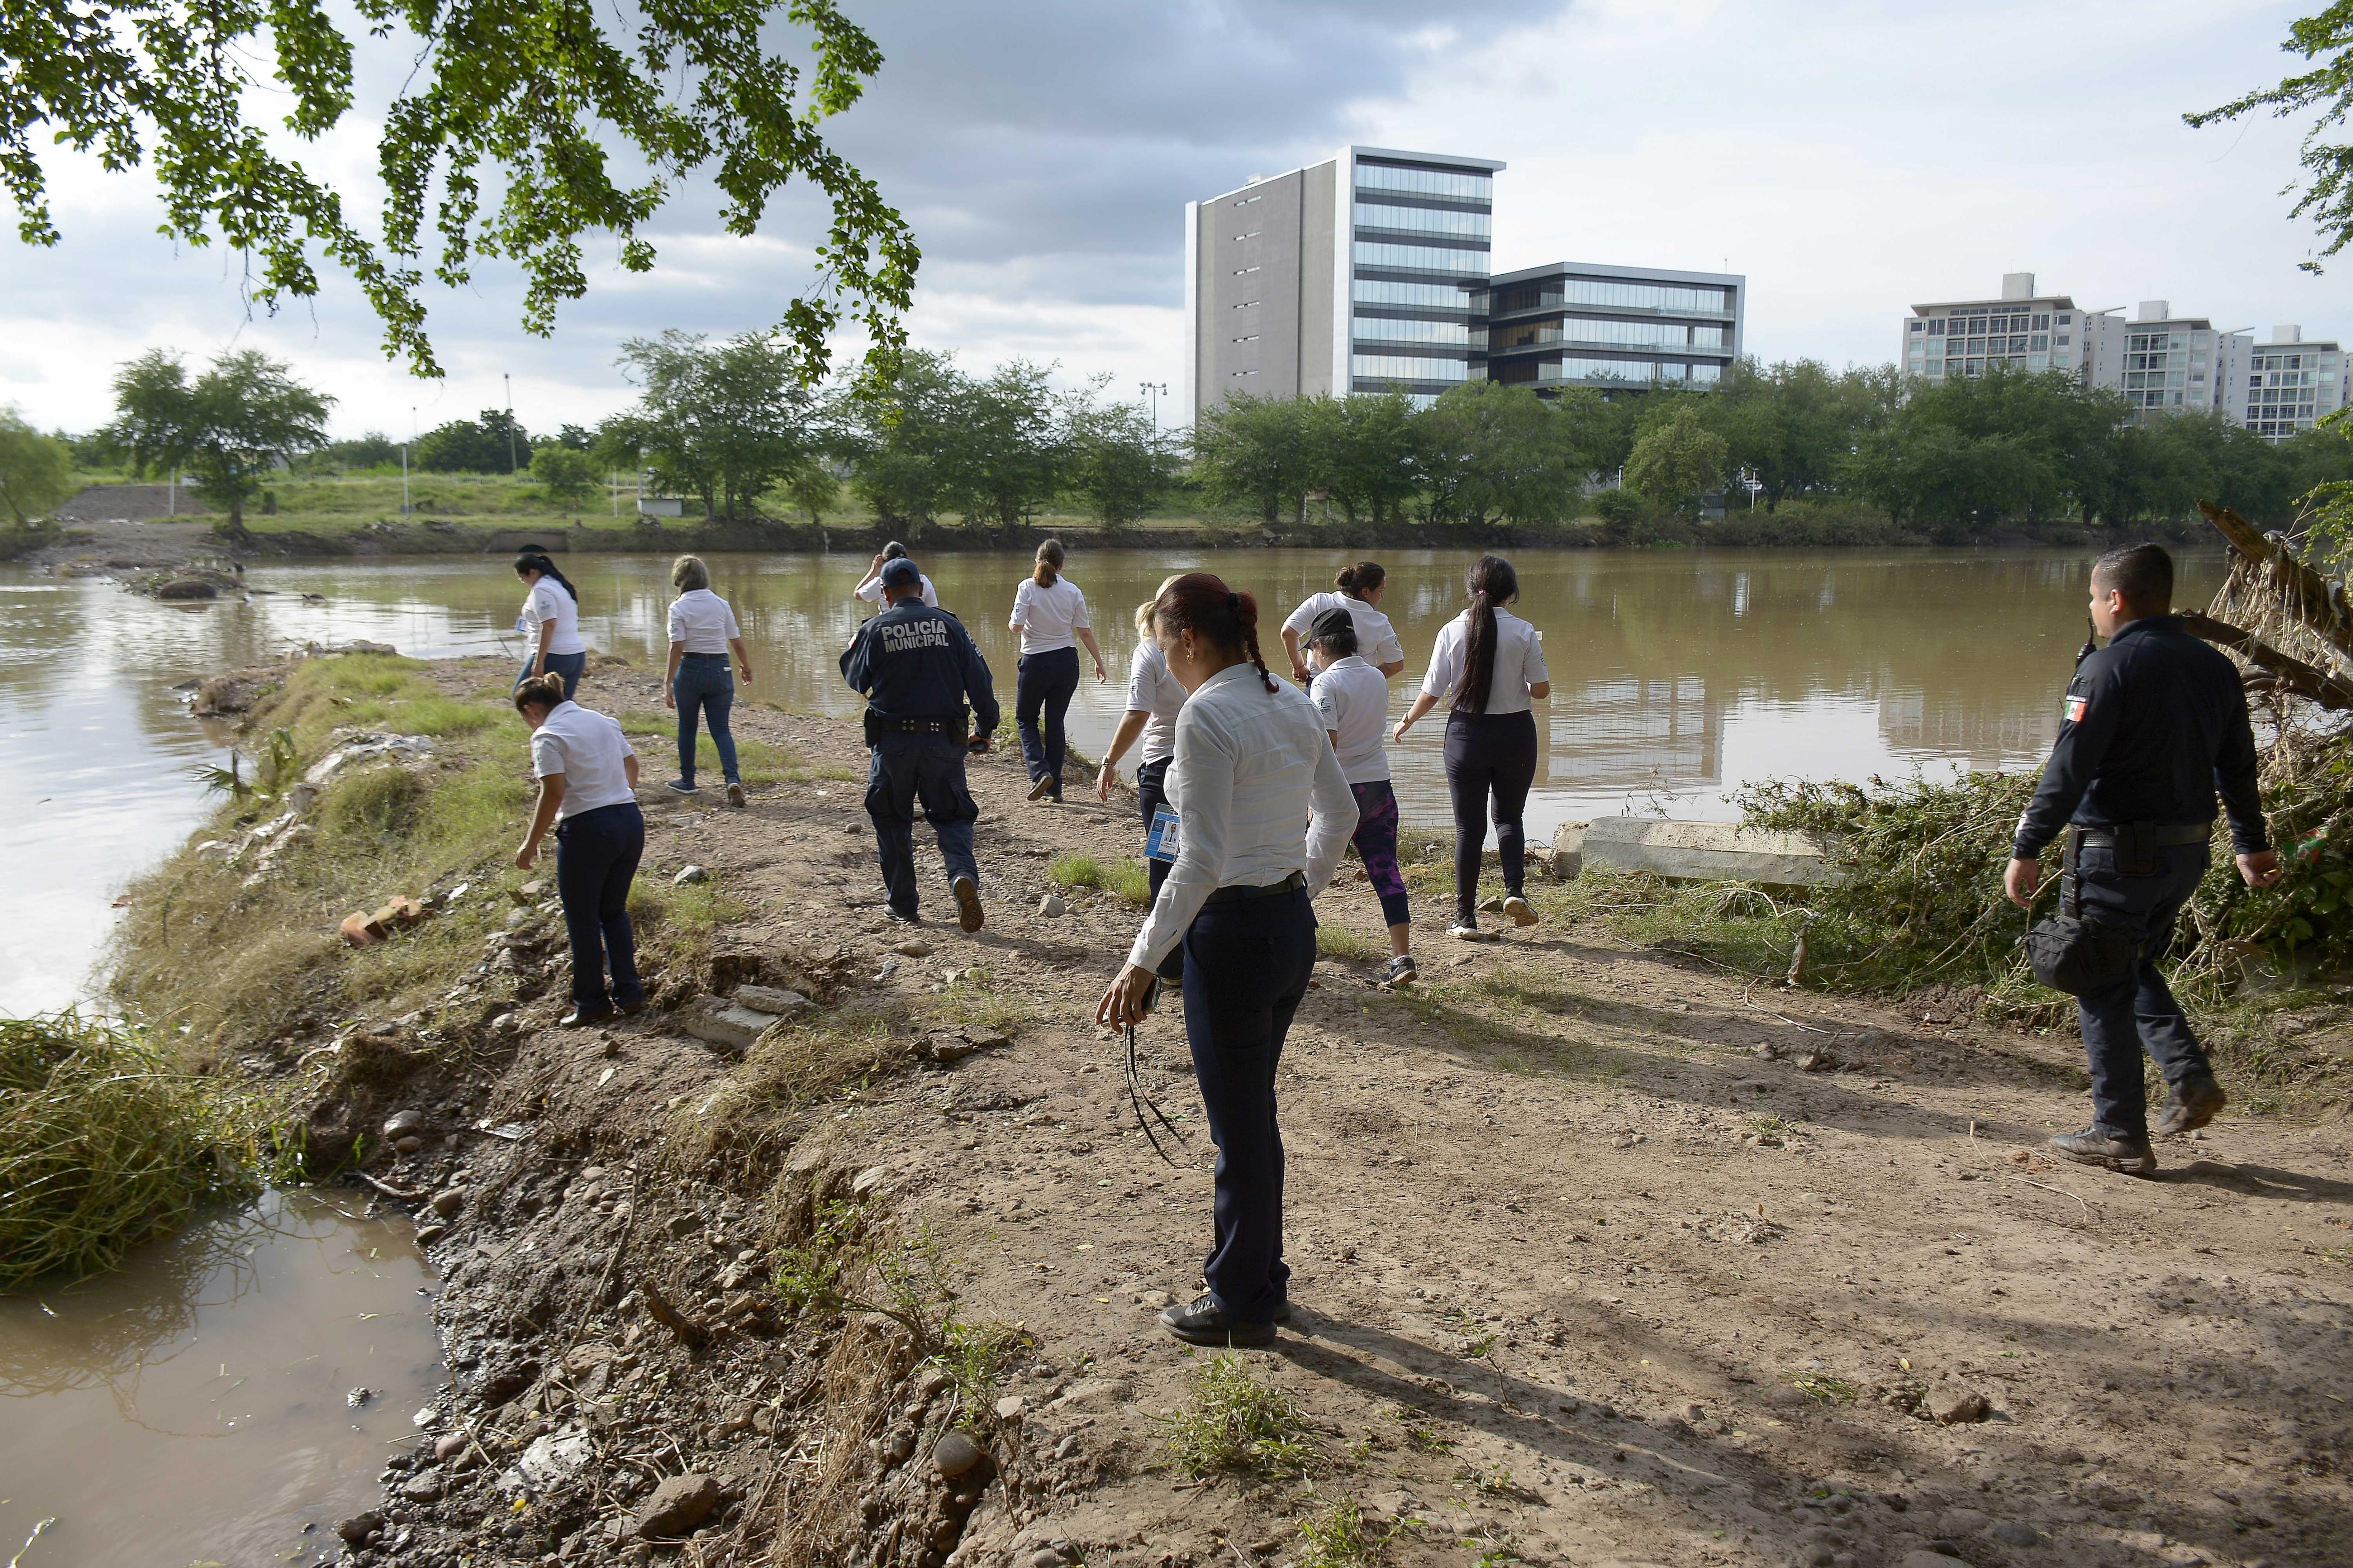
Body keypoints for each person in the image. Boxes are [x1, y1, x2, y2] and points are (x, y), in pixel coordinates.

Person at [1097, 574, 1357, 1348]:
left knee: (1238, 1125)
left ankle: (1242, 1299)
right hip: (1285, 929)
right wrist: (1294, 887)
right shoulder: (1289, 700)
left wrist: (1144, 959)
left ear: (1186, 638)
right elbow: (1339, 813)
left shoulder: (1208, 713)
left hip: (1234, 938)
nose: (1160, 660)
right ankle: (1261, 1282)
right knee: (1252, 1115)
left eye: (1159, 644)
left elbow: (1201, 858)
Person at [2003, 543, 2279, 1175]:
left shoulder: (2107, 669)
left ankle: (2120, 1131)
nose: (2095, 611)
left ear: (2117, 599)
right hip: (2187, 854)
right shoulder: (2215, 666)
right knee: (2126, 964)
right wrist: (2249, 842)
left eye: (2096, 600)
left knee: (2101, 979)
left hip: (2116, 855)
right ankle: (2186, 1077)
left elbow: (2068, 769)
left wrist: (2027, 846)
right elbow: (2237, 764)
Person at [1393, 555, 1550, 941]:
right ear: (1511, 592)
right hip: (1515, 735)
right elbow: (1541, 691)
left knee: (1469, 827)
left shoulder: (1451, 630)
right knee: (1510, 818)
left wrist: (1407, 720)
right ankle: (1515, 892)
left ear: (1470, 590)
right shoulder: (1525, 632)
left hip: (1466, 736)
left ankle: (1465, 919)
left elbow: (1433, 689)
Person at [840, 557, 1001, 932]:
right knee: (953, 816)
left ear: (885, 593)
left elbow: (853, 677)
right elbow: (982, 681)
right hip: (943, 741)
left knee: (892, 819)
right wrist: (985, 727)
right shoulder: (951, 625)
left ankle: (903, 904)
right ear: (921, 589)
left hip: (893, 741)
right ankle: (962, 874)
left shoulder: (874, 629)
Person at [511, 673, 645, 1025]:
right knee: (614, 912)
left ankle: (591, 1003)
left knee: (583, 920)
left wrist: (530, 843)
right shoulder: (602, 721)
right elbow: (632, 766)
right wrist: (615, 796)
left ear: (531, 710)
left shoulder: (547, 736)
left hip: (588, 830)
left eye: (525, 718)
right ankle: (630, 993)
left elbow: (553, 794)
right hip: (629, 822)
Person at [1308, 607, 1414, 986]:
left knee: (1307, 875)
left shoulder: (1324, 683)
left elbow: (1327, 741)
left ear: (1321, 646)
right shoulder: (1375, 677)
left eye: (1313, 650)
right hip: (1379, 787)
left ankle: (1287, 945)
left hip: (1339, 793)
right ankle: (1402, 957)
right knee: (1386, 869)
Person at [1096, 576, 1191, 979]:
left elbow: (1137, 713)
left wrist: (1109, 760)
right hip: (1207, 763)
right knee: (1206, 858)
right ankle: (1191, 956)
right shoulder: (1202, 646)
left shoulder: (1150, 651)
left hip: (1163, 771)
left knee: (1166, 861)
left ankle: (1170, 966)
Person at [1008, 538, 1105, 802]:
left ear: (1037, 561)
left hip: (1036, 662)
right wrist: (1099, 662)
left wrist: (1020, 622)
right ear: (1062, 565)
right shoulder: (1073, 591)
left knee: (1026, 719)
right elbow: (1084, 631)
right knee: (1055, 722)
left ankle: (1040, 772)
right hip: (1067, 662)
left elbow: (1016, 628)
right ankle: (1055, 787)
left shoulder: (1027, 587)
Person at [661, 555, 754, 807]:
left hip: (690, 669)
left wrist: (668, 682)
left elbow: (677, 647)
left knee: (687, 727)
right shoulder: (721, 604)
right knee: (722, 729)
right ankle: (732, 779)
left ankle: (688, 781)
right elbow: (736, 641)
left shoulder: (678, 607)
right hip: (720, 668)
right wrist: (746, 667)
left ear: (679, 579)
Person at [1281, 561, 1406, 681]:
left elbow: (1288, 633)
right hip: (1358, 691)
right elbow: (1396, 665)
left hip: (1318, 683)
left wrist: (1299, 667)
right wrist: (1369, 679)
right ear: (1366, 592)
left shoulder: (1320, 602)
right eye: (1381, 591)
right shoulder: (1379, 622)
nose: (1381, 597)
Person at [513, 548, 587, 699]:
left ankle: (544, 724)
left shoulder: (542, 590)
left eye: (523, 579)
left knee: (522, 696)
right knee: (562, 706)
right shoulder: (559, 584)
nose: (524, 583)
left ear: (533, 572)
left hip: (556, 655)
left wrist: (539, 662)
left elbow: (549, 625)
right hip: (576, 655)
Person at [854, 540, 939, 608]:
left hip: (887, 625)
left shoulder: (880, 583)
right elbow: (933, 609)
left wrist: (873, 572)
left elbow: (857, 595)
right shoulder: (924, 581)